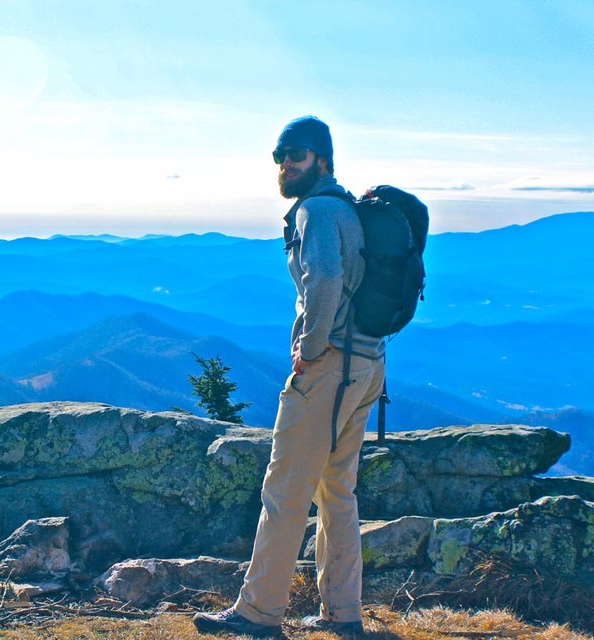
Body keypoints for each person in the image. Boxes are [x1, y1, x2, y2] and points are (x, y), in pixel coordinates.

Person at [193, 116, 386, 638]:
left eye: (296, 154)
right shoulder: (348, 207)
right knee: (337, 492)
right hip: (367, 367)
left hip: (330, 369)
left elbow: (324, 277)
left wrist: (309, 348)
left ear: (322, 159)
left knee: (285, 492)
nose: (284, 164)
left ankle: (258, 613)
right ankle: (343, 614)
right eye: (278, 156)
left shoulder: (317, 210)